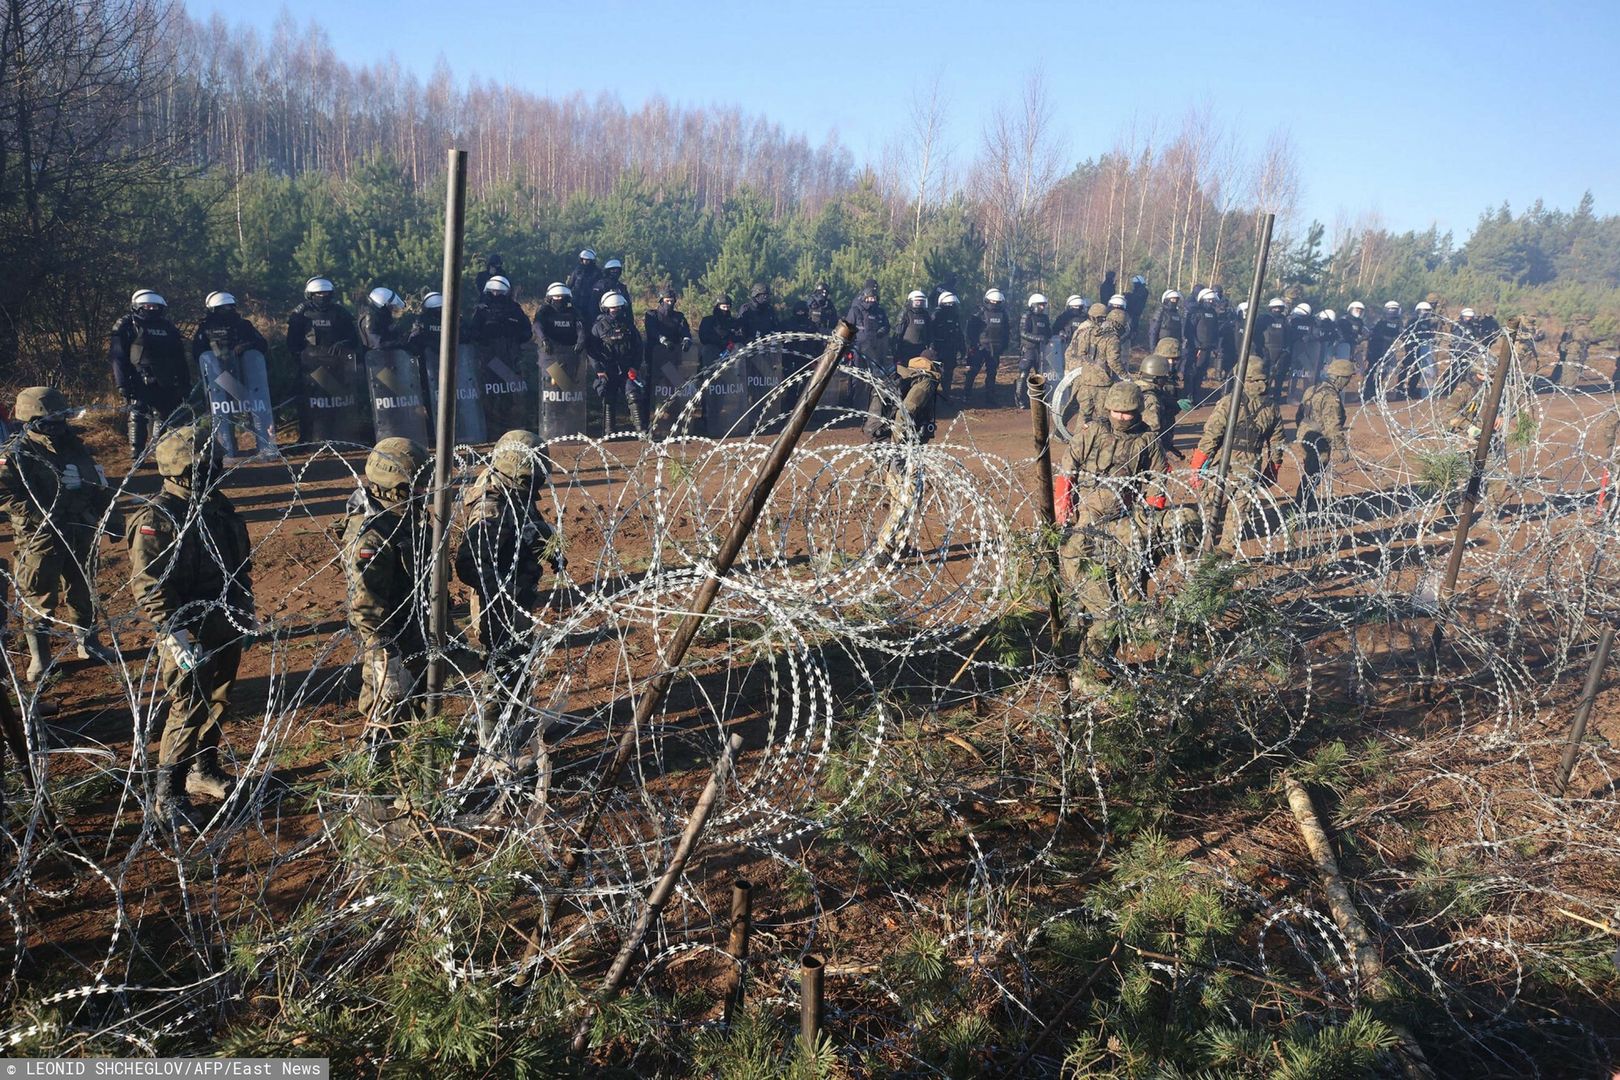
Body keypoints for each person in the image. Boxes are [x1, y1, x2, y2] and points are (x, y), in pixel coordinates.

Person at [128, 423, 254, 826]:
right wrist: (174, 633)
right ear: (184, 470)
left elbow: (239, 564)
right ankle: (168, 794)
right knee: (188, 705)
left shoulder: (219, 507)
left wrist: (244, 608)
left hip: (224, 620)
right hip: (186, 629)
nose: (217, 470)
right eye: (209, 464)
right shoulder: (158, 518)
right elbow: (149, 583)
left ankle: (203, 768)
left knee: (219, 699)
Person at [455, 430, 564, 769]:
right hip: (498, 602)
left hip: (515, 596)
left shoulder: (514, 489)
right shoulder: (490, 504)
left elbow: (529, 524)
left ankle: (511, 727)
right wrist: (500, 594)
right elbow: (469, 561)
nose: (539, 482)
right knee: (501, 668)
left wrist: (550, 546)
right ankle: (497, 747)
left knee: (516, 667)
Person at [1, 387, 119, 683]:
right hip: (39, 537)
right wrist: (40, 515)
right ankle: (40, 658)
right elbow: (5, 494)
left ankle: (88, 642)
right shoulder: (16, 454)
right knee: (40, 595)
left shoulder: (74, 445)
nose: (56, 426)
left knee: (83, 588)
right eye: (49, 420)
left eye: (60, 419)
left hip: (78, 527)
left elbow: (97, 480)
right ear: (30, 420)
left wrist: (110, 515)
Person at [1058, 380, 1168, 676]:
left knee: (1129, 570)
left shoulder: (1147, 439)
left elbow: (1158, 478)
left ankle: (1118, 632)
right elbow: (1068, 467)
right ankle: (1078, 623)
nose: (1121, 417)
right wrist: (1063, 506)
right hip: (1087, 514)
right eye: (1117, 412)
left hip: (1123, 517)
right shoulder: (1092, 431)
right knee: (1081, 572)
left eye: (1128, 413)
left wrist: (1151, 513)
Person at [341, 437, 430, 761]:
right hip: (391, 643)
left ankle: (411, 785)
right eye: (417, 485)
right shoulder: (374, 533)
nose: (425, 491)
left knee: (417, 715)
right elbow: (366, 604)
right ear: (396, 485)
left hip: (415, 633)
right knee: (385, 720)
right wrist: (385, 661)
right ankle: (371, 793)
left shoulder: (403, 518)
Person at [1189, 363, 1284, 553]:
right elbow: (1277, 444)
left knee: (1210, 510)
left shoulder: (1229, 402)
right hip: (1251, 469)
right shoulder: (1272, 407)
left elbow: (1211, 436)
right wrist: (1272, 471)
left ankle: (1201, 550)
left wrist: (1196, 468)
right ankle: (1225, 555)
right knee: (1237, 516)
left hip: (1224, 465)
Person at [111, 290, 190, 459]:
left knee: (163, 415)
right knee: (138, 413)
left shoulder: (167, 327)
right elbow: (118, 357)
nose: (152, 309)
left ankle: (158, 450)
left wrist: (184, 382)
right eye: (148, 306)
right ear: (137, 307)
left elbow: (179, 357)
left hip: (165, 378)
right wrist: (122, 383)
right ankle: (136, 452)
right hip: (138, 378)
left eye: (155, 306)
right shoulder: (127, 325)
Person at [286, 276, 362, 439]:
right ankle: (308, 437)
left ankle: (344, 436)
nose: (323, 296)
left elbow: (353, 339)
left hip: (338, 366)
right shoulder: (301, 313)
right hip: (311, 368)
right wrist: (301, 359)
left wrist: (343, 344)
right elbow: (292, 341)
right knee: (310, 404)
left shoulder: (340, 312)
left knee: (339, 402)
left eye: (326, 293)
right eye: (318, 293)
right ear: (310, 294)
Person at [1294, 358, 1353, 515]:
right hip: (1318, 441)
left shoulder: (1312, 389)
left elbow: (1299, 414)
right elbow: (1333, 427)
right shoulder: (1331, 397)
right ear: (1339, 377)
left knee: (1310, 471)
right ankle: (1302, 507)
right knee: (1314, 474)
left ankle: (1305, 502)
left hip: (1304, 435)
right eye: (1347, 378)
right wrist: (1342, 448)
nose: (1348, 382)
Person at [587, 292, 645, 434]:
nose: (616, 310)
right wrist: (599, 371)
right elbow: (592, 351)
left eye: (618, 308)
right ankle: (609, 432)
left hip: (627, 369)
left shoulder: (629, 326)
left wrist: (635, 367)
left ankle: (641, 430)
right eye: (613, 308)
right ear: (606, 308)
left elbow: (638, 347)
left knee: (633, 394)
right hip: (608, 370)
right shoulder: (598, 327)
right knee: (608, 396)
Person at [1065, 302, 1125, 426]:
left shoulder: (1089, 330)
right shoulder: (1103, 334)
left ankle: (1077, 439)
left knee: (1082, 411)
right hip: (1094, 378)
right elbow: (1113, 361)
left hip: (1084, 374)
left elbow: (1078, 352)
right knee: (1101, 415)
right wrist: (1125, 377)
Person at [191, 291, 269, 368]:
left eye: (231, 306)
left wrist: (245, 347)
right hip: (219, 373)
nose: (229, 310)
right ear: (213, 310)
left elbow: (262, 344)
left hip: (247, 369)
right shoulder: (206, 328)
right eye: (224, 308)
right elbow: (198, 353)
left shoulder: (244, 325)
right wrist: (217, 357)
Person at [1134, 340, 1182, 459]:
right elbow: (1153, 431)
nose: (1172, 362)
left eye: (1175, 359)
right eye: (1169, 358)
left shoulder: (1142, 382)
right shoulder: (1151, 398)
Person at [962, 289, 1011, 404]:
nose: (995, 304)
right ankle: (966, 395)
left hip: (995, 349)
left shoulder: (1003, 314)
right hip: (980, 348)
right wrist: (974, 345)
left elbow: (1006, 331)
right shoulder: (979, 313)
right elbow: (970, 331)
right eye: (993, 302)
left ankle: (990, 397)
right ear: (987, 300)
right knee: (973, 371)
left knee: (992, 374)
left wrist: (1003, 346)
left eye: (997, 302)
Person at [469, 275, 534, 351]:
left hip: (510, 352)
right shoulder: (483, 309)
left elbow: (527, 330)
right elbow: (473, 329)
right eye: (493, 290)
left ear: (506, 292)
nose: (495, 294)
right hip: (486, 352)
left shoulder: (514, 309)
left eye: (499, 291)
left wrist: (516, 341)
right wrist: (483, 341)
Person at [1182, 288, 1223, 400]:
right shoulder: (1195, 312)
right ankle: (1187, 396)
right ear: (1202, 299)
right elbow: (1189, 331)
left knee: (1200, 373)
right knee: (1191, 372)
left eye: (1212, 300)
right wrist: (1196, 346)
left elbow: (1215, 331)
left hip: (1207, 349)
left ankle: (1196, 396)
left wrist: (1215, 347)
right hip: (1195, 349)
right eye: (1208, 300)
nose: (1211, 302)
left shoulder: (1213, 313)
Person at [1361, 301, 1405, 403]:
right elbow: (1373, 333)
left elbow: (1401, 333)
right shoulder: (1380, 320)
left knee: (1387, 369)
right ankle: (1368, 390)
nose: (1393, 312)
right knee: (1372, 369)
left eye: (1395, 310)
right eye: (1391, 309)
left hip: (1389, 348)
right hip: (1376, 348)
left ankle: (1376, 388)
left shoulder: (1399, 322)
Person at [1015, 294, 1053, 409]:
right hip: (1029, 350)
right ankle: (1020, 399)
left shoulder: (1045, 318)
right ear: (1033, 305)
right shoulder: (1027, 316)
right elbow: (1023, 333)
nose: (1042, 307)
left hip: (1041, 350)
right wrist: (1039, 338)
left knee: (1042, 374)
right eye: (1040, 305)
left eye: (1044, 305)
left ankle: (1041, 399)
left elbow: (1048, 333)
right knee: (1023, 374)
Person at [931, 291, 966, 398]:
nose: (952, 306)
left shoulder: (955, 316)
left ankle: (946, 393)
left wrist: (962, 348)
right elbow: (930, 332)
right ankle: (933, 394)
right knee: (936, 372)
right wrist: (931, 347)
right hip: (938, 349)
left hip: (951, 349)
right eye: (949, 303)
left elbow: (959, 333)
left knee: (949, 372)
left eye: (953, 304)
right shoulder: (936, 315)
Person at [535, 283, 583, 360]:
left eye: (562, 296)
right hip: (550, 352)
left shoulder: (573, 312)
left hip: (571, 352)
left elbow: (580, 328)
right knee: (552, 372)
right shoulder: (544, 311)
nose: (560, 299)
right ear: (550, 298)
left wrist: (581, 341)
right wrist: (544, 340)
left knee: (572, 372)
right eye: (557, 296)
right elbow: (537, 326)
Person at [1257, 298, 1292, 402]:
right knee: (1264, 374)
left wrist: (1286, 350)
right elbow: (1257, 334)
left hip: (1280, 352)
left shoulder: (1285, 320)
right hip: (1266, 351)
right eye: (1275, 307)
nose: (1277, 310)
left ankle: (1277, 396)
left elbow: (1289, 336)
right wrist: (1261, 348)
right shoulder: (1264, 318)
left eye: (1279, 308)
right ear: (1270, 308)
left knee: (1279, 375)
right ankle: (1263, 395)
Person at [698, 294, 743, 366]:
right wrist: (719, 340)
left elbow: (740, 336)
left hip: (730, 350)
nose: (725, 309)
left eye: (728, 307)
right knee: (708, 349)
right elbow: (703, 337)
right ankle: (709, 375)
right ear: (717, 307)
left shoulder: (734, 321)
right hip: (713, 349)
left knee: (739, 347)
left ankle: (737, 375)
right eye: (723, 307)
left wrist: (730, 340)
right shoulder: (708, 320)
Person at [587, 258, 631, 325]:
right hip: (603, 320)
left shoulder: (622, 287)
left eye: (617, 270)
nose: (615, 272)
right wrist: (595, 322)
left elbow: (628, 306)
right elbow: (593, 305)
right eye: (612, 270)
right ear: (607, 271)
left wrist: (630, 321)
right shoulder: (600, 285)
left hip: (621, 319)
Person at [894, 290, 933, 364]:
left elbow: (930, 333)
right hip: (906, 349)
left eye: (921, 302)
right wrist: (897, 350)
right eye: (917, 302)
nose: (919, 304)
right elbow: (898, 333)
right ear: (910, 302)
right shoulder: (906, 314)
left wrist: (931, 347)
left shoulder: (926, 315)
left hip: (921, 349)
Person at [566, 249, 603, 320]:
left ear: (592, 261)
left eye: (587, 260)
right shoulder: (577, 271)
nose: (585, 262)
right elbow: (570, 285)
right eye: (583, 260)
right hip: (576, 302)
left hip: (591, 303)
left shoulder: (598, 273)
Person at [1148, 290, 1184, 354]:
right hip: (1162, 348)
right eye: (1172, 299)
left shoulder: (1177, 315)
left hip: (1174, 348)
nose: (1175, 301)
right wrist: (1153, 349)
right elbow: (1153, 331)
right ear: (1166, 300)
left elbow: (1180, 333)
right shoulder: (1160, 312)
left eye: (1176, 300)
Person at [1125, 275, 1150, 342]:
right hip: (1133, 311)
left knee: (1133, 326)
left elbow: (1136, 298)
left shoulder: (1143, 291)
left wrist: (1128, 296)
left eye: (1136, 283)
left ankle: (1132, 340)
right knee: (1131, 326)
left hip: (1136, 312)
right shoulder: (1138, 290)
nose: (1134, 285)